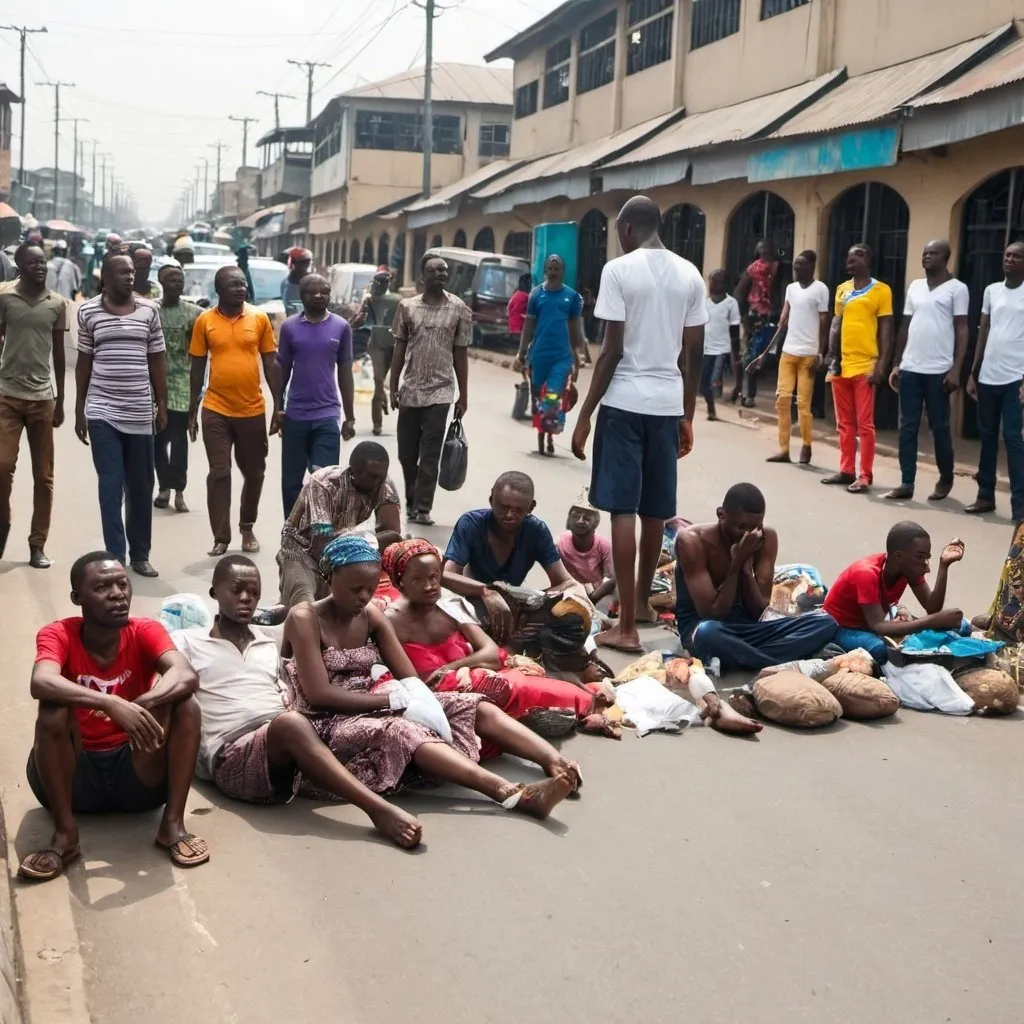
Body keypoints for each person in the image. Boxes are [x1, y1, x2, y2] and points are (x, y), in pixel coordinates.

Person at [283, 534, 579, 818]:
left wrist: (418, 700)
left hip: (375, 698)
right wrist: (391, 700)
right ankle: (512, 794)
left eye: (370, 589)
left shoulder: (370, 615)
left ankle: (555, 761)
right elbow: (318, 694)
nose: (363, 597)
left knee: (473, 704)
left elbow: (410, 679)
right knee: (404, 731)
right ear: (329, 578)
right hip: (325, 719)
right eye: (354, 589)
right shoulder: (305, 618)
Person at [174, 555, 422, 848]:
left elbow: (290, 689)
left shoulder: (266, 643)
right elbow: (172, 684)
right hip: (232, 754)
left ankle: (481, 784)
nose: (246, 599)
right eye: (236, 590)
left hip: (282, 746)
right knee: (292, 723)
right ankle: (378, 811)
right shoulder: (187, 642)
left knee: (376, 728)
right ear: (215, 592)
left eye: (253, 593)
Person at [18, 552, 207, 882]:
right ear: (77, 598)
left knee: (186, 704)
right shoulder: (58, 633)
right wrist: (109, 703)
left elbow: (185, 673)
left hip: (136, 776)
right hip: (74, 780)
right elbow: (41, 681)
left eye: (122, 584)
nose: (118, 593)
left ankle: (172, 826)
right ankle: (65, 835)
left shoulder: (145, 630)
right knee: (52, 710)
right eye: (102, 587)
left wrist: (143, 702)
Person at [570, 195, 706, 655]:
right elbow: (694, 352)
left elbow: (610, 350)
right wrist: (687, 414)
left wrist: (586, 413)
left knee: (622, 510)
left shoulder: (619, 270)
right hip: (667, 405)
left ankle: (626, 624)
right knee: (654, 511)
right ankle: (643, 605)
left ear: (627, 228)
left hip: (625, 402)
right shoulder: (690, 273)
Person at [383, 539, 610, 741]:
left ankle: (570, 706)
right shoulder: (389, 623)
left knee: (512, 683)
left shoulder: (449, 607)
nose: (430, 586)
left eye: (434, 577)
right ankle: (540, 715)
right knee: (497, 686)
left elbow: (491, 653)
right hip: (442, 701)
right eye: (418, 579)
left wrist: (452, 667)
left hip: (487, 680)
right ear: (400, 582)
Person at [675, 483, 838, 671]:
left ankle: (753, 660)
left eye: (755, 526)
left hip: (749, 629)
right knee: (708, 633)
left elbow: (758, 610)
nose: (748, 534)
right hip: (706, 628)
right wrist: (735, 565)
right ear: (721, 515)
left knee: (825, 623)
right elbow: (712, 613)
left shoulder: (765, 536)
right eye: (741, 527)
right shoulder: (692, 541)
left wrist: (746, 569)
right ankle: (775, 661)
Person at [75, 252, 166, 578]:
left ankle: (141, 554)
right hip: (102, 411)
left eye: (132, 272)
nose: (130, 277)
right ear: (106, 277)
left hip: (140, 411)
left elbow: (157, 359)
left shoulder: (149, 310)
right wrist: (79, 408)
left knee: (141, 487)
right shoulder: (87, 311)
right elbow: (85, 361)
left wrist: (162, 405)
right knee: (110, 487)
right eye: (123, 272)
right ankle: (116, 555)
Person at [188, 265, 282, 557]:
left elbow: (270, 363)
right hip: (215, 408)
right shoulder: (205, 321)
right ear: (219, 289)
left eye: (243, 283)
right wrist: (193, 410)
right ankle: (221, 536)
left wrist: (280, 405)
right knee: (219, 472)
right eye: (233, 284)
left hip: (252, 409)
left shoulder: (259, 318)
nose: (241, 288)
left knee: (254, 472)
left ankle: (247, 525)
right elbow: (198, 367)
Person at [390, 253, 470, 526]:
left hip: (441, 390)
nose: (441, 275)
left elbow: (461, 352)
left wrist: (463, 394)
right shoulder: (406, 307)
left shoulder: (458, 308)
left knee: (431, 452)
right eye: (434, 271)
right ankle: (411, 502)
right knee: (406, 453)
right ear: (422, 277)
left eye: (444, 271)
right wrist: (392, 386)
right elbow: (399, 347)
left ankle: (423, 508)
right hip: (411, 389)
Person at [885, 240, 969, 502]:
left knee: (940, 428)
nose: (926, 257)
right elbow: (905, 325)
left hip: (939, 371)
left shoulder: (957, 289)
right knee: (907, 427)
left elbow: (962, 329)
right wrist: (898, 362)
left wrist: (956, 369)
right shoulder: (916, 286)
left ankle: (946, 476)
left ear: (946, 258)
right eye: (924, 253)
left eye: (932, 253)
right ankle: (906, 482)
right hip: (911, 368)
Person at [0, 243, 67, 567]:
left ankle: (37, 544)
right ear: (20, 266)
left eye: (43, 263)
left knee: (44, 477)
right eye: (33, 263)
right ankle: (2, 527)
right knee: (2, 467)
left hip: (42, 399)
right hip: (8, 396)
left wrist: (62, 400)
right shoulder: (5, 297)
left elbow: (59, 351)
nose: (40, 267)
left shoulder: (56, 303)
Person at [277, 440, 402, 608]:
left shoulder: (383, 483)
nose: (378, 482)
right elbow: (320, 545)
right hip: (300, 548)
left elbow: (392, 536)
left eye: (382, 476)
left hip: (340, 545)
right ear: (354, 471)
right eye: (372, 476)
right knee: (304, 604)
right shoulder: (324, 483)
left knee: (337, 610)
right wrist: (362, 545)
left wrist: (359, 545)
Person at [823, 522, 966, 663]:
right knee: (879, 649)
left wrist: (944, 565)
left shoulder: (908, 569)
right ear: (898, 556)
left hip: (875, 623)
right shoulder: (866, 573)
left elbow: (932, 607)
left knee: (962, 626)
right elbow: (878, 626)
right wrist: (932, 622)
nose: (926, 566)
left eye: (927, 558)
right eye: (920, 556)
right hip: (842, 627)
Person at [277, 273, 355, 518]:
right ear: (302, 296)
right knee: (291, 479)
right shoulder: (290, 328)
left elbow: (345, 372)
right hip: (296, 413)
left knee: (327, 478)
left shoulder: (341, 327)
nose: (319, 296)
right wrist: (278, 408)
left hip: (327, 413)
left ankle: (322, 527)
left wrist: (349, 417)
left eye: (324, 292)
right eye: (313, 292)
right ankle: (291, 528)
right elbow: (282, 370)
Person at [821, 243, 894, 494]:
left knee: (865, 425)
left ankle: (865, 475)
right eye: (848, 257)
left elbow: (886, 329)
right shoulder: (842, 290)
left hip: (865, 365)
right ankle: (846, 469)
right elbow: (835, 323)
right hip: (841, 365)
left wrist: (882, 365)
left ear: (867, 259)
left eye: (857, 256)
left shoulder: (881, 291)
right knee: (844, 423)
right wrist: (830, 355)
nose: (850, 260)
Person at [750, 250, 830, 465]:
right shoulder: (791, 289)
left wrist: (820, 353)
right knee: (782, 400)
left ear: (812, 265)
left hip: (808, 355)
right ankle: (784, 449)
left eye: (801, 265)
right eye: (795, 265)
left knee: (803, 404)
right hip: (788, 352)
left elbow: (824, 324)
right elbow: (782, 322)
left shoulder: (821, 289)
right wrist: (764, 354)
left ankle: (806, 446)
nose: (796, 269)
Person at [965, 241, 1024, 519]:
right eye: (1007, 255)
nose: (1010, 260)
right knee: (987, 438)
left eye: (1017, 256)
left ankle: (1020, 507)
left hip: (1017, 378)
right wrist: (974, 372)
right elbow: (984, 328)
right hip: (989, 376)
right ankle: (985, 496)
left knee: (1014, 440)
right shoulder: (992, 290)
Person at [443, 471, 573, 590]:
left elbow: (566, 582)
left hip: (514, 602)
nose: (509, 515)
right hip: (469, 597)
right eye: (503, 507)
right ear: (491, 500)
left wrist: (534, 601)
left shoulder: (536, 531)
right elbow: (447, 575)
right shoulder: (471, 524)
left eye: (518, 510)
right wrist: (484, 593)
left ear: (531, 508)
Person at [512, 255, 584, 456]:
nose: (553, 272)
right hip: (539, 356)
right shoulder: (536, 295)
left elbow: (575, 331)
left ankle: (551, 435)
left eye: (557, 269)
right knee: (538, 399)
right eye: (550, 269)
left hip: (561, 357)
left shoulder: (572, 298)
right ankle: (542, 437)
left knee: (552, 396)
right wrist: (521, 354)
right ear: (545, 270)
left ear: (563, 272)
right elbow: (529, 327)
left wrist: (577, 358)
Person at [153, 263, 200, 514]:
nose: (177, 284)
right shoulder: (152, 311)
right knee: (158, 442)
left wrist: (197, 395)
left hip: (182, 384)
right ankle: (163, 487)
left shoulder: (194, 314)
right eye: (171, 280)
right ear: (161, 282)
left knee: (179, 441)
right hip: (155, 387)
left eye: (180, 280)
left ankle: (179, 490)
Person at [351, 268, 400, 436]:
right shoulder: (373, 300)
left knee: (384, 381)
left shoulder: (393, 300)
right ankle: (377, 422)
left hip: (388, 342)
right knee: (379, 381)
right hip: (380, 343)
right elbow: (359, 320)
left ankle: (383, 398)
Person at [733, 240, 780, 407]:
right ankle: (748, 395)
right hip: (756, 317)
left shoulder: (781, 269)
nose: (765, 259)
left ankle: (785, 400)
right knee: (751, 356)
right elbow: (739, 292)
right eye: (762, 254)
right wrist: (745, 315)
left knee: (780, 357)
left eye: (768, 254)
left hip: (779, 317)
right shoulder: (753, 269)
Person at [556, 486, 615, 602]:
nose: (580, 521)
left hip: (595, 595)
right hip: (566, 592)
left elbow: (612, 579)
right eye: (576, 516)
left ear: (596, 523)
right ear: (569, 520)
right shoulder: (560, 543)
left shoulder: (604, 547)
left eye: (587, 518)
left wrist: (592, 597)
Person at [700, 268, 741, 420]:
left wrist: (736, 354)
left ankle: (718, 393)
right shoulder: (705, 303)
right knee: (702, 384)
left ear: (724, 284)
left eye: (716, 281)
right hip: (706, 348)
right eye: (711, 281)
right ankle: (711, 406)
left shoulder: (731, 303)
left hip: (723, 349)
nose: (712, 284)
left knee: (714, 378)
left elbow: (735, 329)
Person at [280, 247, 312, 316]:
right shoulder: (286, 284)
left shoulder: (314, 283)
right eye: (301, 263)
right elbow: (287, 307)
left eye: (307, 262)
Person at [507, 272, 531, 349]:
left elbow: (509, 308)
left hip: (513, 326)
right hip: (519, 328)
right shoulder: (526, 297)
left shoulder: (516, 294)